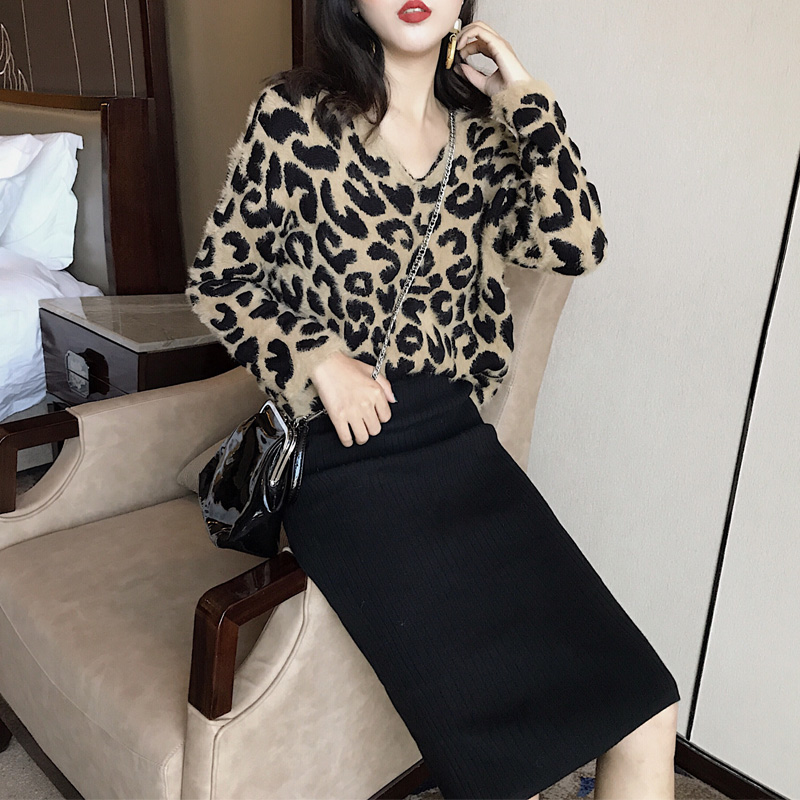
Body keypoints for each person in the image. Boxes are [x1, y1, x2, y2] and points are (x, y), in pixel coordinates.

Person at [185, 1, 680, 797]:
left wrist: (524, 97)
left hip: (457, 445)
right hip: (341, 457)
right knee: (499, 765)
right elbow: (219, 279)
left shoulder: (482, 139)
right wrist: (319, 360)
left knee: (647, 707)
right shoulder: (293, 116)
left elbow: (577, 243)